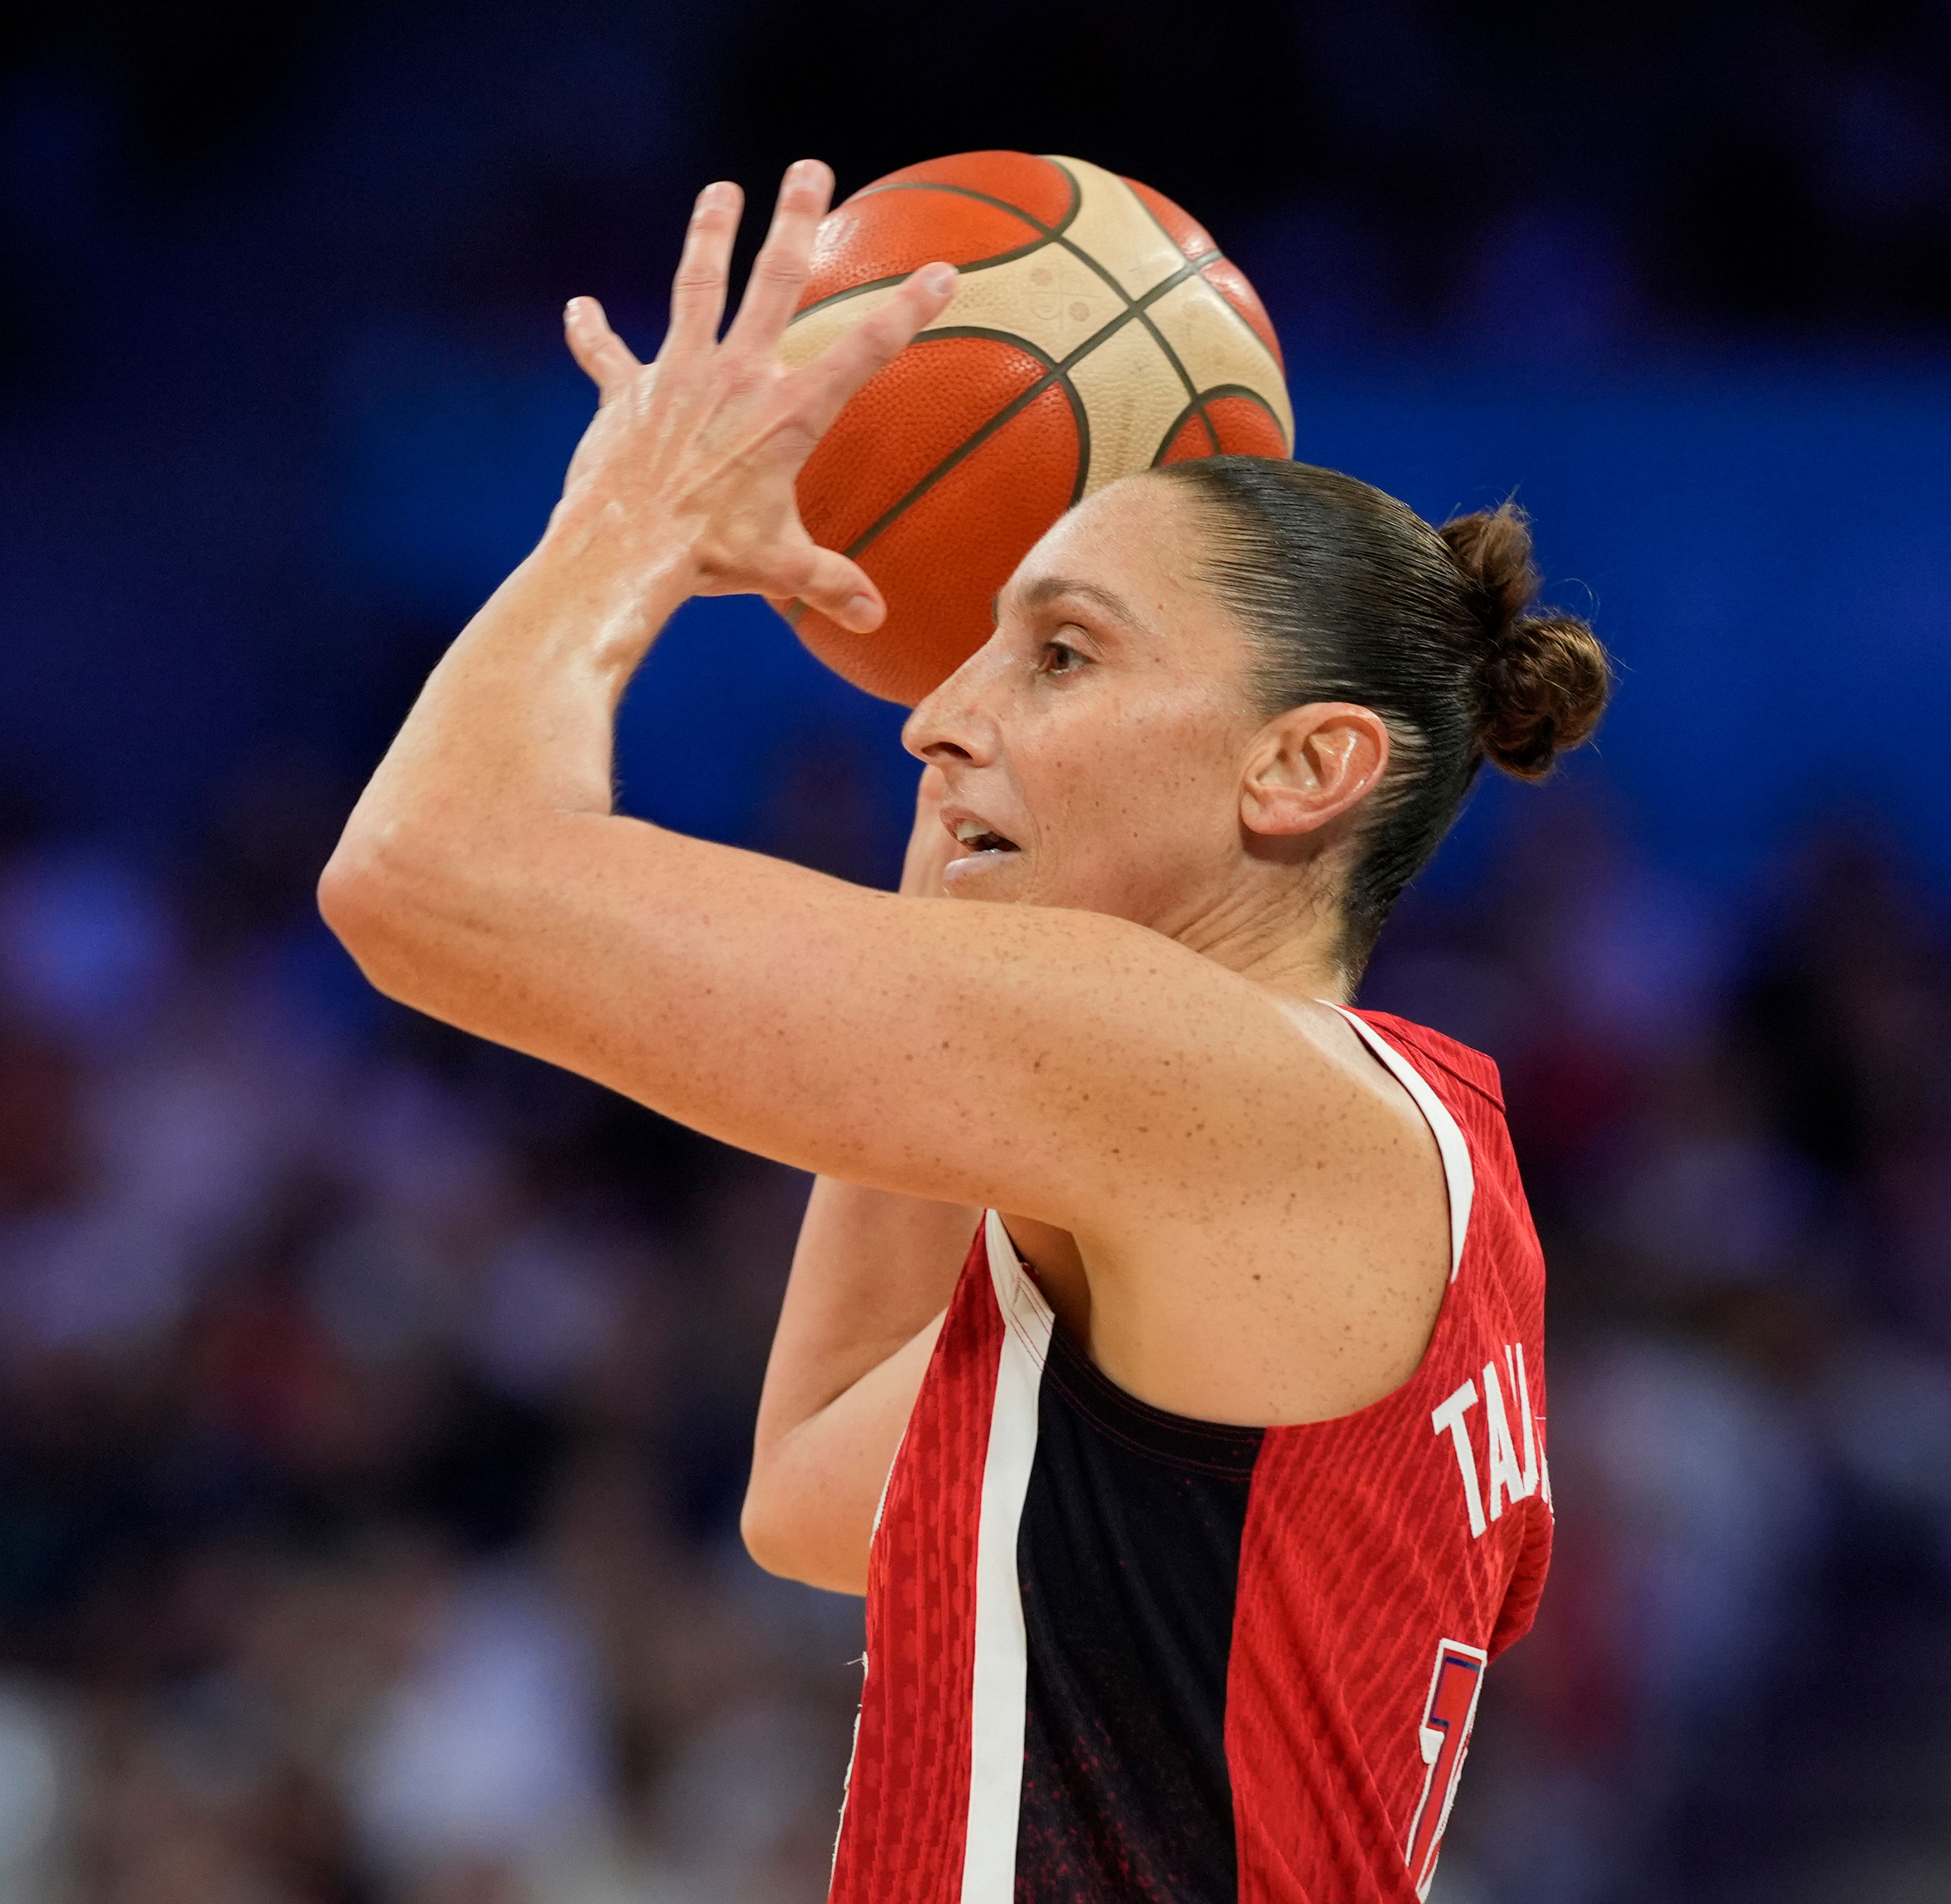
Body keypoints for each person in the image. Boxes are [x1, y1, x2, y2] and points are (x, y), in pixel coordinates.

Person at [321, 160, 1611, 1902]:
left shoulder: (1199, 1078)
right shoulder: (1351, 1152)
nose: (931, 713)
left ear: (1304, 767)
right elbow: (818, 1481)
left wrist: (627, 526)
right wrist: (968, 863)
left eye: (1061, 653)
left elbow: (427, 878)